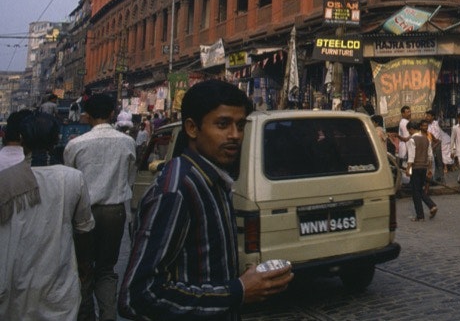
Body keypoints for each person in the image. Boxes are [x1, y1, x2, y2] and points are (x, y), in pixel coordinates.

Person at [120, 80, 293, 319]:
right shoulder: (176, 191)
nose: (235, 135)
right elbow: (139, 296)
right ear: (192, 128)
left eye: (240, 125)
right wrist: (237, 290)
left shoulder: (214, 180)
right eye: (223, 124)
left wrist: (244, 278)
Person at [1, 111, 95, 319]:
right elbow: (84, 230)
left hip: (14, 283)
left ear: (22, 140)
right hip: (58, 284)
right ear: (55, 140)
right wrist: (84, 269)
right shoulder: (73, 178)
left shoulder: (6, 180)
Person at [64, 93, 137, 321]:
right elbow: (130, 178)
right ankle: (108, 315)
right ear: (112, 114)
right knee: (106, 269)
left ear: (86, 117)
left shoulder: (75, 144)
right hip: (114, 212)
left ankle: (85, 316)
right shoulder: (128, 142)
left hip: (83, 212)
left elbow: (71, 181)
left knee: (84, 268)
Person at [406, 120, 438, 221]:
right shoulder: (426, 139)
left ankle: (420, 215)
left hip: (415, 167)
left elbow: (411, 156)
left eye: (409, 131)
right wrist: (429, 168)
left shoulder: (412, 140)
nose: (409, 133)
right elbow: (430, 156)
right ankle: (431, 205)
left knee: (415, 192)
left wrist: (408, 168)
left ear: (411, 129)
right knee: (420, 189)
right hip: (424, 167)